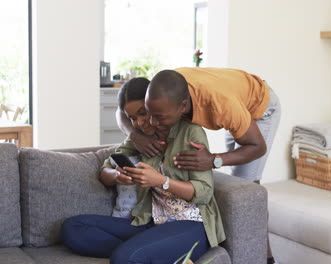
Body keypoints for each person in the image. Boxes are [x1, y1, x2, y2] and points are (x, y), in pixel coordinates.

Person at [118, 68, 281, 264]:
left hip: (260, 105)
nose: (152, 123)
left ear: (183, 106)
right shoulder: (160, 88)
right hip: (235, 97)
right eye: (149, 114)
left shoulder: (221, 106)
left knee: (246, 186)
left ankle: (265, 258)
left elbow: (257, 146)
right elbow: (120, 111)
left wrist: (214, 160)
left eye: (159, 117)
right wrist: (135, 136)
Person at [61, 77, 225, 264]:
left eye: (142, 113)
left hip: (191, 224)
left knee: (123, 258)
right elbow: (105, 169)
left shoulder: (190, 132)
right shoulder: (140, 139)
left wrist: (161, 181)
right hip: (150, 222)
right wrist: (116, 176)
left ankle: (142, 252)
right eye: (132, 118)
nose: (139, 123)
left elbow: (204, 193)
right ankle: (151, 252)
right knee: (73, 228)